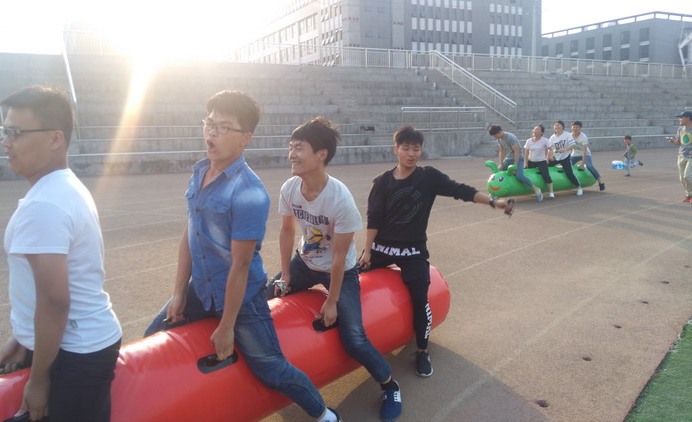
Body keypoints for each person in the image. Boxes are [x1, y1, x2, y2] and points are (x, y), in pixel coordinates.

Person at [144, 92, 340, 422]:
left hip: (242, 298)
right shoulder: (200, 172)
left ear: (245, 137)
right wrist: (179, 293)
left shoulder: (249, 191)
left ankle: (325, 415)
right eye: (209, 124)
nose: (212, 133)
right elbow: (190, 235)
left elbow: (241, 264)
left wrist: (227, 325)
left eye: (223, 127)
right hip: (201, 288)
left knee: (271, 368)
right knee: (151, 340)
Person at [0, 86, 122, 422]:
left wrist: (39, 380)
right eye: (5, 131)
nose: (6, 142)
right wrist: (23, 336)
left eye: (15, 133)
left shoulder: (45, 204)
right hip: (75, 343)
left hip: (76, 352)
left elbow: (54, 302)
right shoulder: (61, 186)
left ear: (55, 139)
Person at [268, 117, 403, 422]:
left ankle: (389, 385)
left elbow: (340, 257)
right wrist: (286, 275)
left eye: (298, 148)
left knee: (354, 339)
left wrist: (331, 300)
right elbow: (287, 231)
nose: (291, 154)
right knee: (263, 299)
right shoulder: (290, 187)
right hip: (304, 263)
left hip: (338, 271)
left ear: (321, 154)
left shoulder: (340, 199)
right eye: (290, 147)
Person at [357, 125, 514, 380]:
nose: (411, 153)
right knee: (350, 282)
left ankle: (422, 350)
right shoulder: (382, 181)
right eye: (406, 148)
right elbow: (374, 217)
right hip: (382, 247)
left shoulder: (428, 177)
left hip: (413, 250)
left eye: (416, 149)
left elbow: (460, 190)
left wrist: (494, 202)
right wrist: (367, 251)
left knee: (421, 299)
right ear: (396, 149)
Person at [489, 125, 543, 201]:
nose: (495, 137)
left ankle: (536, 189)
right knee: (498, 172)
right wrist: (500, 163)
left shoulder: (510, 137)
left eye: (495, 135)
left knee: (519, 176)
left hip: (519, 158)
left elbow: (517, 151)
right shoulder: (499, 139)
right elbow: (501, 150)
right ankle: (494, 193)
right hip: (509, 158)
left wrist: (515, 166)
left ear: (500, 132)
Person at [548, 120, 582, 196]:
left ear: (562, 126)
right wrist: (550, 156)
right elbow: (550, 148)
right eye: (555, 125)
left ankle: (579, 187)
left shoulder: (567, 135)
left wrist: (564, 149)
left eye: (558, 125)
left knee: (569, 173)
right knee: (545, 167)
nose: (557, 126)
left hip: (565, 157)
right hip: (556, 157)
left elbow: (572, 145)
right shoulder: (552, 137)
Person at [569, 121, 605, 191]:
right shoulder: (569, 136)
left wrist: (582, 164)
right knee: (567, 166)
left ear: (580, 128)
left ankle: (600, 182)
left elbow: (584, 151)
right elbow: (569, 147)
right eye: (574, 127)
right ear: (571, 128)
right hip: (575, 154)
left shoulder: (583, 137)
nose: (575, 128)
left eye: (577, 127)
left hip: (585, 154)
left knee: (589, 166)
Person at [666, 111, 692, 202]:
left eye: (681, 117)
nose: (679, 119)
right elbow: (678, 142)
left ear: (687, 118)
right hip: (681, 155)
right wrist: (672, 141)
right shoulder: (680, 129)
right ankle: (689, 195)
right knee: (682, 178)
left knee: (687, 176)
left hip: (690, 157)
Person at [524, 124, 555, 199]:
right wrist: (525, 163)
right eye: (534, 129)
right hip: (531, 161)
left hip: (541, 161)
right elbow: (526, 153)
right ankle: (535, 190)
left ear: (541, 132)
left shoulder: (545, 140)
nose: (535, 131)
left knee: (546, 175)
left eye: (537, 129)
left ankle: (551, 192)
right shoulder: (529, 141)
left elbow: (551, 149)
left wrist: (549, 157)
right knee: (528, 176)